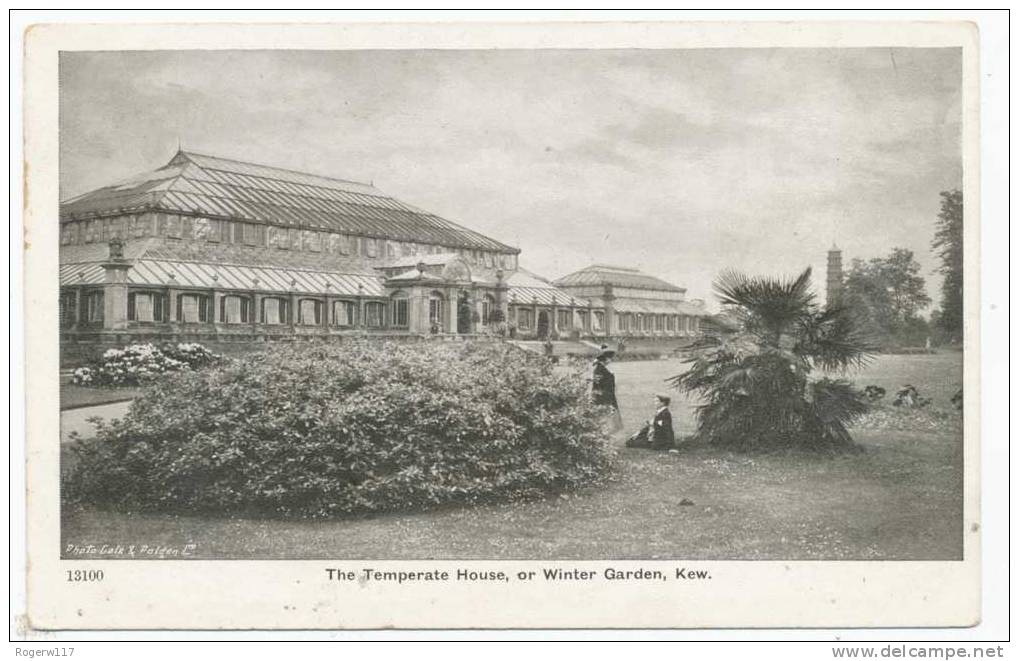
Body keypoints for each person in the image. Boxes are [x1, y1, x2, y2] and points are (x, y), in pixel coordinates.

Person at [592, 349, 622, 431]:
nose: (611, 361)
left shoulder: (601, 369)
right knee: (606, 416)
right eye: (610, 359)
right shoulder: (599, 370)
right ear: (606, 359)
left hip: (606, 395)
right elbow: (598, 385)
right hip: (604, 396)